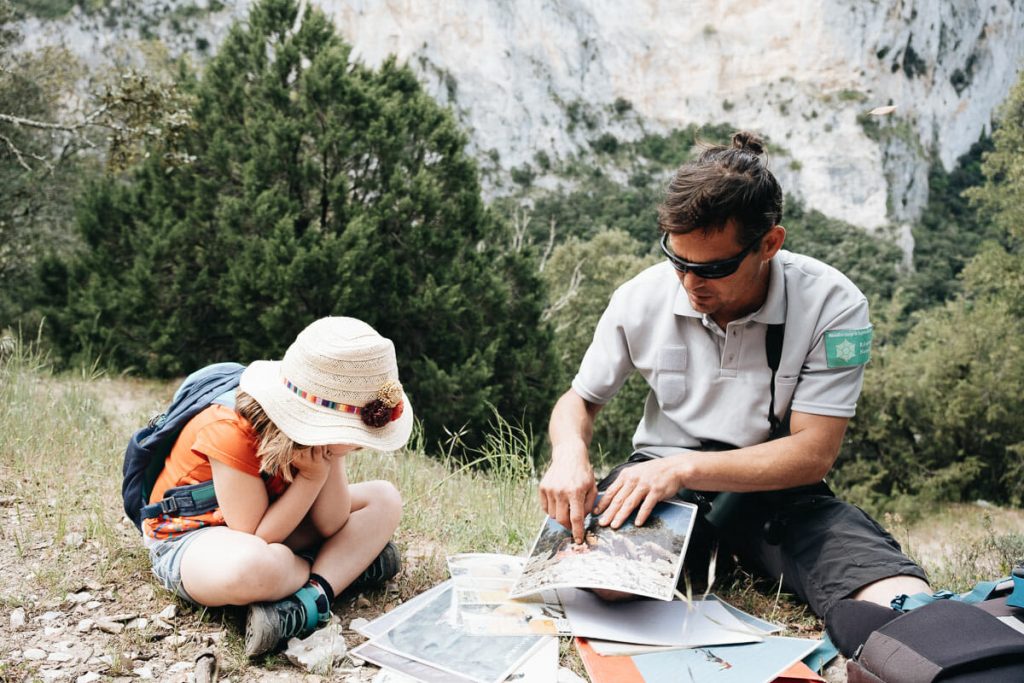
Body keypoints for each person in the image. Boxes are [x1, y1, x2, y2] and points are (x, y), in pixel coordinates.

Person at [537, 132, 931, 627]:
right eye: (677, 260)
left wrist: (684, 469)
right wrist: (569, 453)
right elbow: (579, 400)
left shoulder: (834, 304)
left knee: (894, 596)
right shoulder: (640, 297)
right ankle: (717, 559)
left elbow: (814, 453)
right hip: (659, 485)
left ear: (770, 244)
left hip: (775, 489)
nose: (689, 283)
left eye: (714, 268)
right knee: (603, 580)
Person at [144, 317, 412, 657]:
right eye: (356, 437)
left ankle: (312, 597)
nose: (361, 446)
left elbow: (331, 521)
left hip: (276, 525)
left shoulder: (318, 440)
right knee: (252, 566)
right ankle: (339, 569)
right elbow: (255, 536)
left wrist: (328, 461)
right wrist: (311, 478)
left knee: (384, 497)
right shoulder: (229, 428)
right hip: (198, 538)